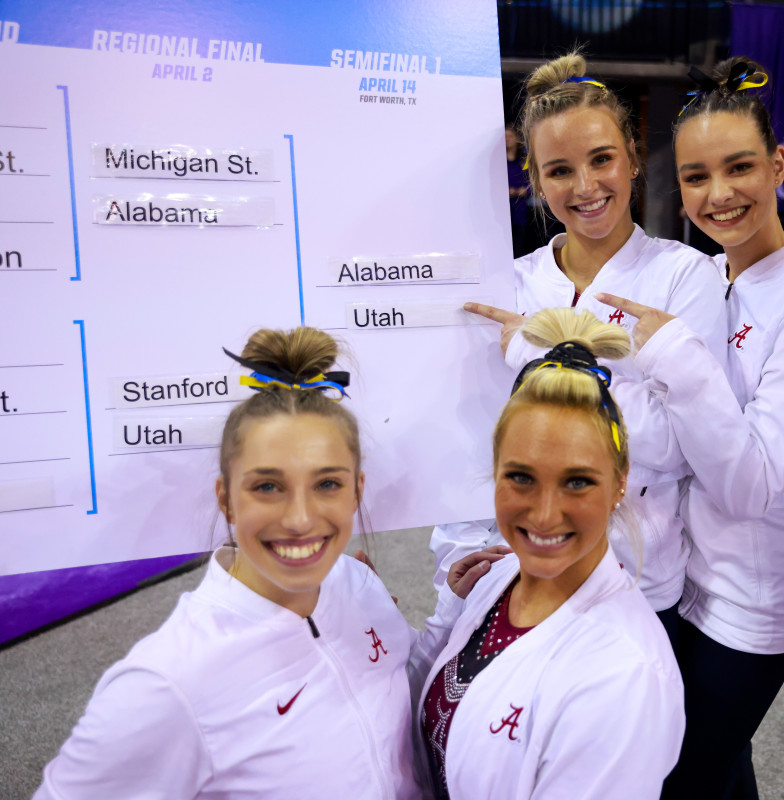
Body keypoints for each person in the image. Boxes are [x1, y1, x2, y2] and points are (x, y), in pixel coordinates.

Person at [34, 327, 498, 800]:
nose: (300, 519)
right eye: (268, 487)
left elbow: (391, 693)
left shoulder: (354, 581)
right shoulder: (166, 684)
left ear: (356, 490)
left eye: (326, 484)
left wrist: (448, 617)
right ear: (226, 499)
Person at [596, 58, 784, 799]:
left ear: (778, 165)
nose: (719, 194)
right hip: (680, 574)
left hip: (753, 596)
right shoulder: (706, 279)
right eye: (697, 175)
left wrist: (673, 354)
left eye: (739, 168)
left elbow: (751, 485)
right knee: (707, 767)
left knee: (688, 768)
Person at [434, 51, 727, 638]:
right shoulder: (512, 284)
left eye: (602, 160)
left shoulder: (685, 276)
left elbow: (677, 443)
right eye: (560, 169)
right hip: (516, 568)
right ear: (536, 181)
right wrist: (457, 556)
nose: (586, 186)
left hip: (634, 578)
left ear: (633, 159)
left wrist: (537, 355)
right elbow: (475, 437)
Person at [416, 308, 685, 800]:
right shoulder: (500, 579)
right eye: (521, 477)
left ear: (621, 481)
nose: (543, 516)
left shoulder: (623, 677)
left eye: (577, 482)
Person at [505, 125, 531, 257]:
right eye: (504, 137)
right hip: (503, 213)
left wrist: (523, 190)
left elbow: (531, 185)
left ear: (516, 139)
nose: (506, 139)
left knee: (518, 249)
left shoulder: (523, 162)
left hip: (520, 212)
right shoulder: (499, 163)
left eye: (509, 136)